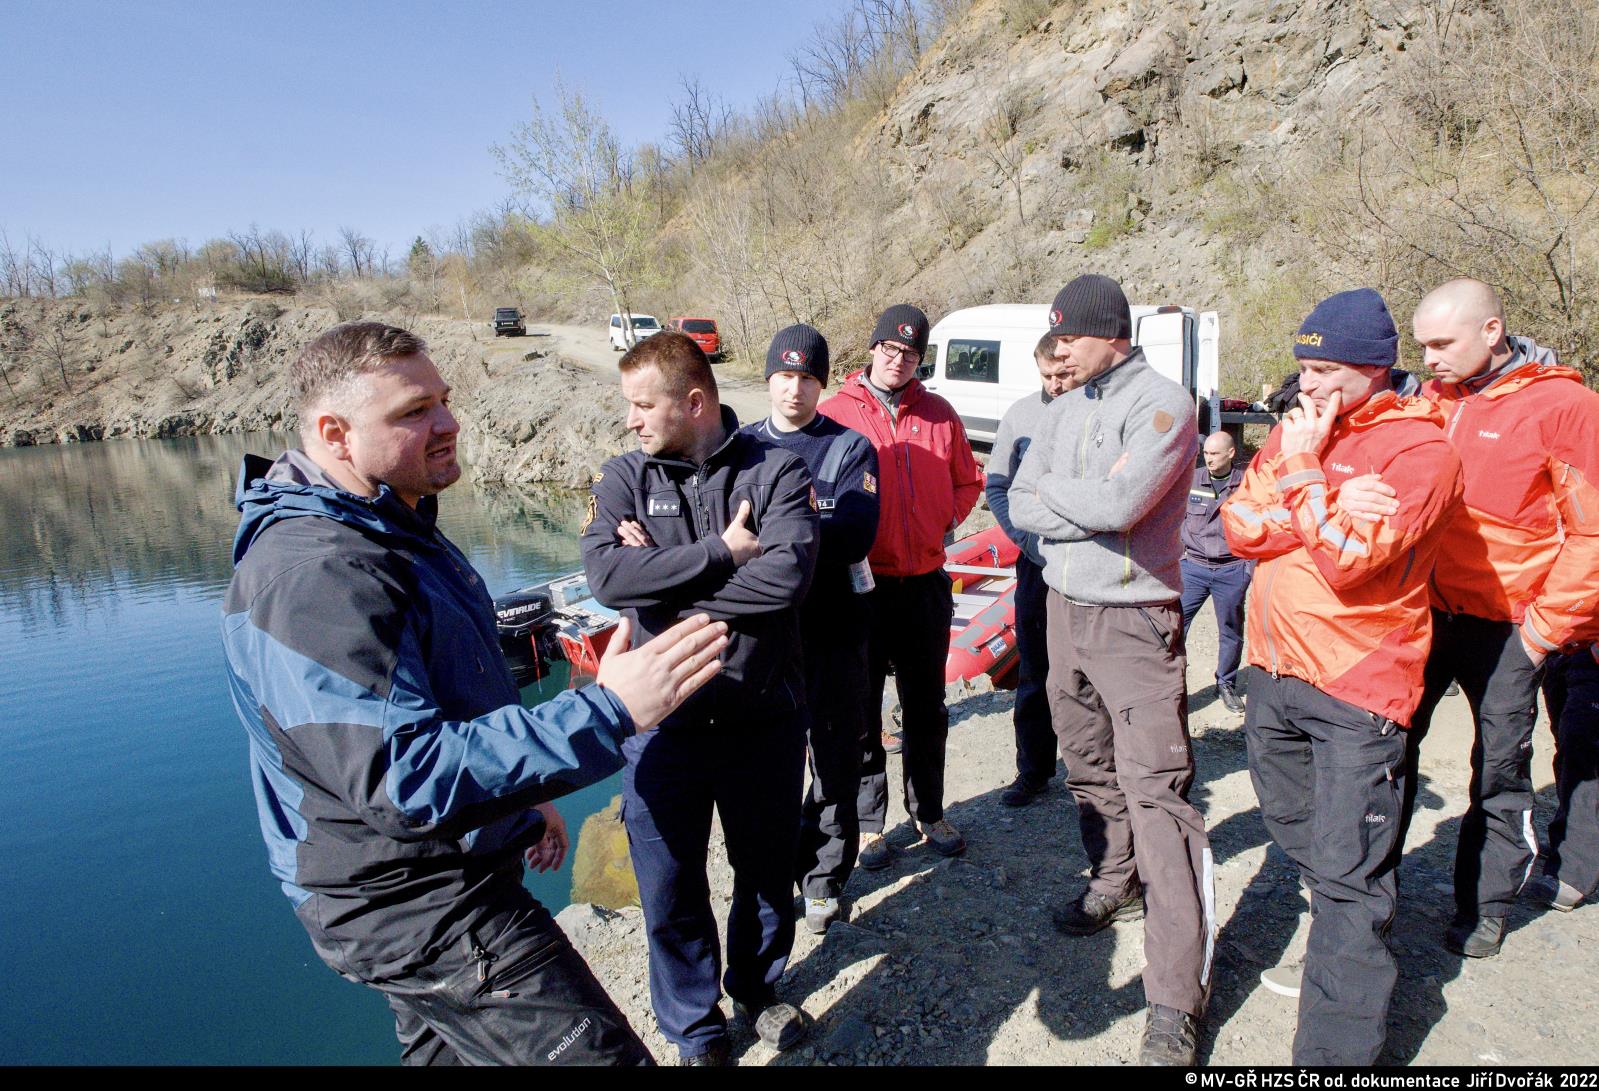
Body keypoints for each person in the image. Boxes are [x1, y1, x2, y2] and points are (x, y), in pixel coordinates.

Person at [223, 321, 732, 1066]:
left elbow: (444, 697)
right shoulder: (314, 575)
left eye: (444, 399)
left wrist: (521, 803)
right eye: (414, 411)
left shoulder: (388, 524)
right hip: (417, 901)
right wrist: (607, 709)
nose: (448, 422)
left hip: (428, 870)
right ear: (334, 434)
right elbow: (401, 779)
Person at [1219, 289, 1464, 1065]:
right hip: (1274, 669)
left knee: (1349, 877)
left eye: (1325, 369)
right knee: (1304, 834)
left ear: (1373, 366)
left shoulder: (1419, 451)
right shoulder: (1300, 429)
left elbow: (1347, 558)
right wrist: (1319, 496)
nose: (1309, 383)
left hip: (1357, 685)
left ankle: (1335, 1052)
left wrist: (1301, 477)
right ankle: (1339, 914)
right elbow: (1239, 525)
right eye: (1303, 367)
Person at [580, 330, 819, 1065]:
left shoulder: (775, 470)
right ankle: (696, 1029)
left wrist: (661, 578)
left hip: (762, 717)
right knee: (669, 885)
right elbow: (607, 580)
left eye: (642, 404)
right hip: (660, 726)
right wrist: (722, 554)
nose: (630, 419)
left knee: (767, 870)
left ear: (693, 402)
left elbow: (786, 579)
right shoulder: (623, 476)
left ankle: (757, 987)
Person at [1347, 278, 1599, 958]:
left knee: (1498, 771)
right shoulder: (1429, 400)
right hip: (1422, 614)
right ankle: (1368, 895)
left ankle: (1484, 906)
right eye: (1421, 345)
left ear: (1491, 331)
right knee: (1386, 753)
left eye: (1440, 343)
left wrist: (1543, 630)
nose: (1426, 358)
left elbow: (1593, 532)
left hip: (1509, 626)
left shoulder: (1566, 407)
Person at [1008, 274, 1213, 1066]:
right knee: (1086, 764)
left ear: (1112, 334)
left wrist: (1072, 499)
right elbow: (1020, 501)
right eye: (1053, 338)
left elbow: (1120, 505)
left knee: (1157, 795)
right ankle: (1113, 879)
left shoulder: (1164, 403)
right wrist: (1080, 499)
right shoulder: (1064, 406)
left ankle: (1173, 998)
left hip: (1134, 618)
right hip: (1065, 608)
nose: (1057, 352)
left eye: (1069, 337)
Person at [818, 304, 983, 865]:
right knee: (862, 708)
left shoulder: (940, 413)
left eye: (911, 353)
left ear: (920, 359)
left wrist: (943, 519)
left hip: (925, 583)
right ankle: (870, 823)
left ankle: (929, 810)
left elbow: (969, 480)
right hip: (861, 585)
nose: (899, 359)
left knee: (927, 705)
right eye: (890, 348)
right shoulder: (836, 413)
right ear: (873, 349)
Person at [742, 324, 879, 934]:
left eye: (806, 377)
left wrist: (765, 537)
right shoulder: (740, 448)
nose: (793, 389)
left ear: (822, 383)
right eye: (784, 375)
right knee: (765, 766)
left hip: (833, 630)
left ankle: (824, 877)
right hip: (762, 636)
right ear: (769, 378)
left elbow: (855, 533)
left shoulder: (849, 449)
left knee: (834, 757)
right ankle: (773, 874)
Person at [984, 330, 1078, 805]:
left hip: (1087, 566)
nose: (1056, 384)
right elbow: (996, 487)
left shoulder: (1096, 411)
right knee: (1035, 671)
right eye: (1047, 376)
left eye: (1063, 374)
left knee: (1086, 673)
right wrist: (1026, 541)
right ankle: (1034, 771)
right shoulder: (1021, 415)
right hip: (1036, 564)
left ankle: (1093, 772)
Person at [1179, 432, 1250, 714]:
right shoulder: (1192, 480)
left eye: (1215, 454)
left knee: (1230, 630)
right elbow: (1175, 517)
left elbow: (1259, 523)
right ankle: (1172, 687)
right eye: (1206, 453)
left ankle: (1226, 684)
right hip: (1193, 568)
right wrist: (1179, 556)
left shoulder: (1246, 484)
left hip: (1231, 569)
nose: (1208, 459)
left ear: (1230, 454)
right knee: (1175, 626)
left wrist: (1248, 568)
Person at [1529, 644, 1599, 911]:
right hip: (1566, 645)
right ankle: (1570, 839)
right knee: (1569, 743)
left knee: (1586, 754)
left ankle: (1574, 870)